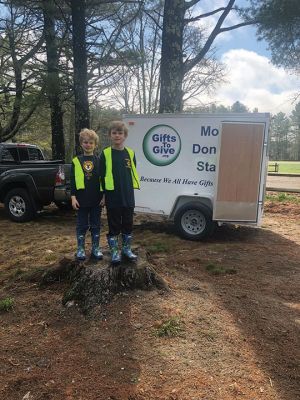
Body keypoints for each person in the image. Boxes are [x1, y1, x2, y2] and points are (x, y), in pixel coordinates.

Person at [100, 121, 140, 264]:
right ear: (110, 135)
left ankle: (126, 249)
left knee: (128, 223)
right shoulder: (105, 154)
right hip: (112, 195)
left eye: (120, 133)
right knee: (114, 224)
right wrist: (103, 195)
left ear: (125, 135)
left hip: (128, 195)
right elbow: (101, 176)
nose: (117, 135)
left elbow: (132, 172)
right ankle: (115, 251)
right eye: (114, 133)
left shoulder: (130, 153)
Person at [71, 128, 103, 261]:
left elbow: (103, 179)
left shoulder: (99, 160)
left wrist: (104, 196)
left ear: (95, 144)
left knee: (96, 225)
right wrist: (73, 197)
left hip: (97, 200)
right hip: (81, 199)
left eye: (91, 142)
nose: (88, 145)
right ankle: (81, 249)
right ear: (81, 144)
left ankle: (95, 248)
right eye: (85, 142)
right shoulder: (76, 160)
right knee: (81, 225)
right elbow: (73, 180)